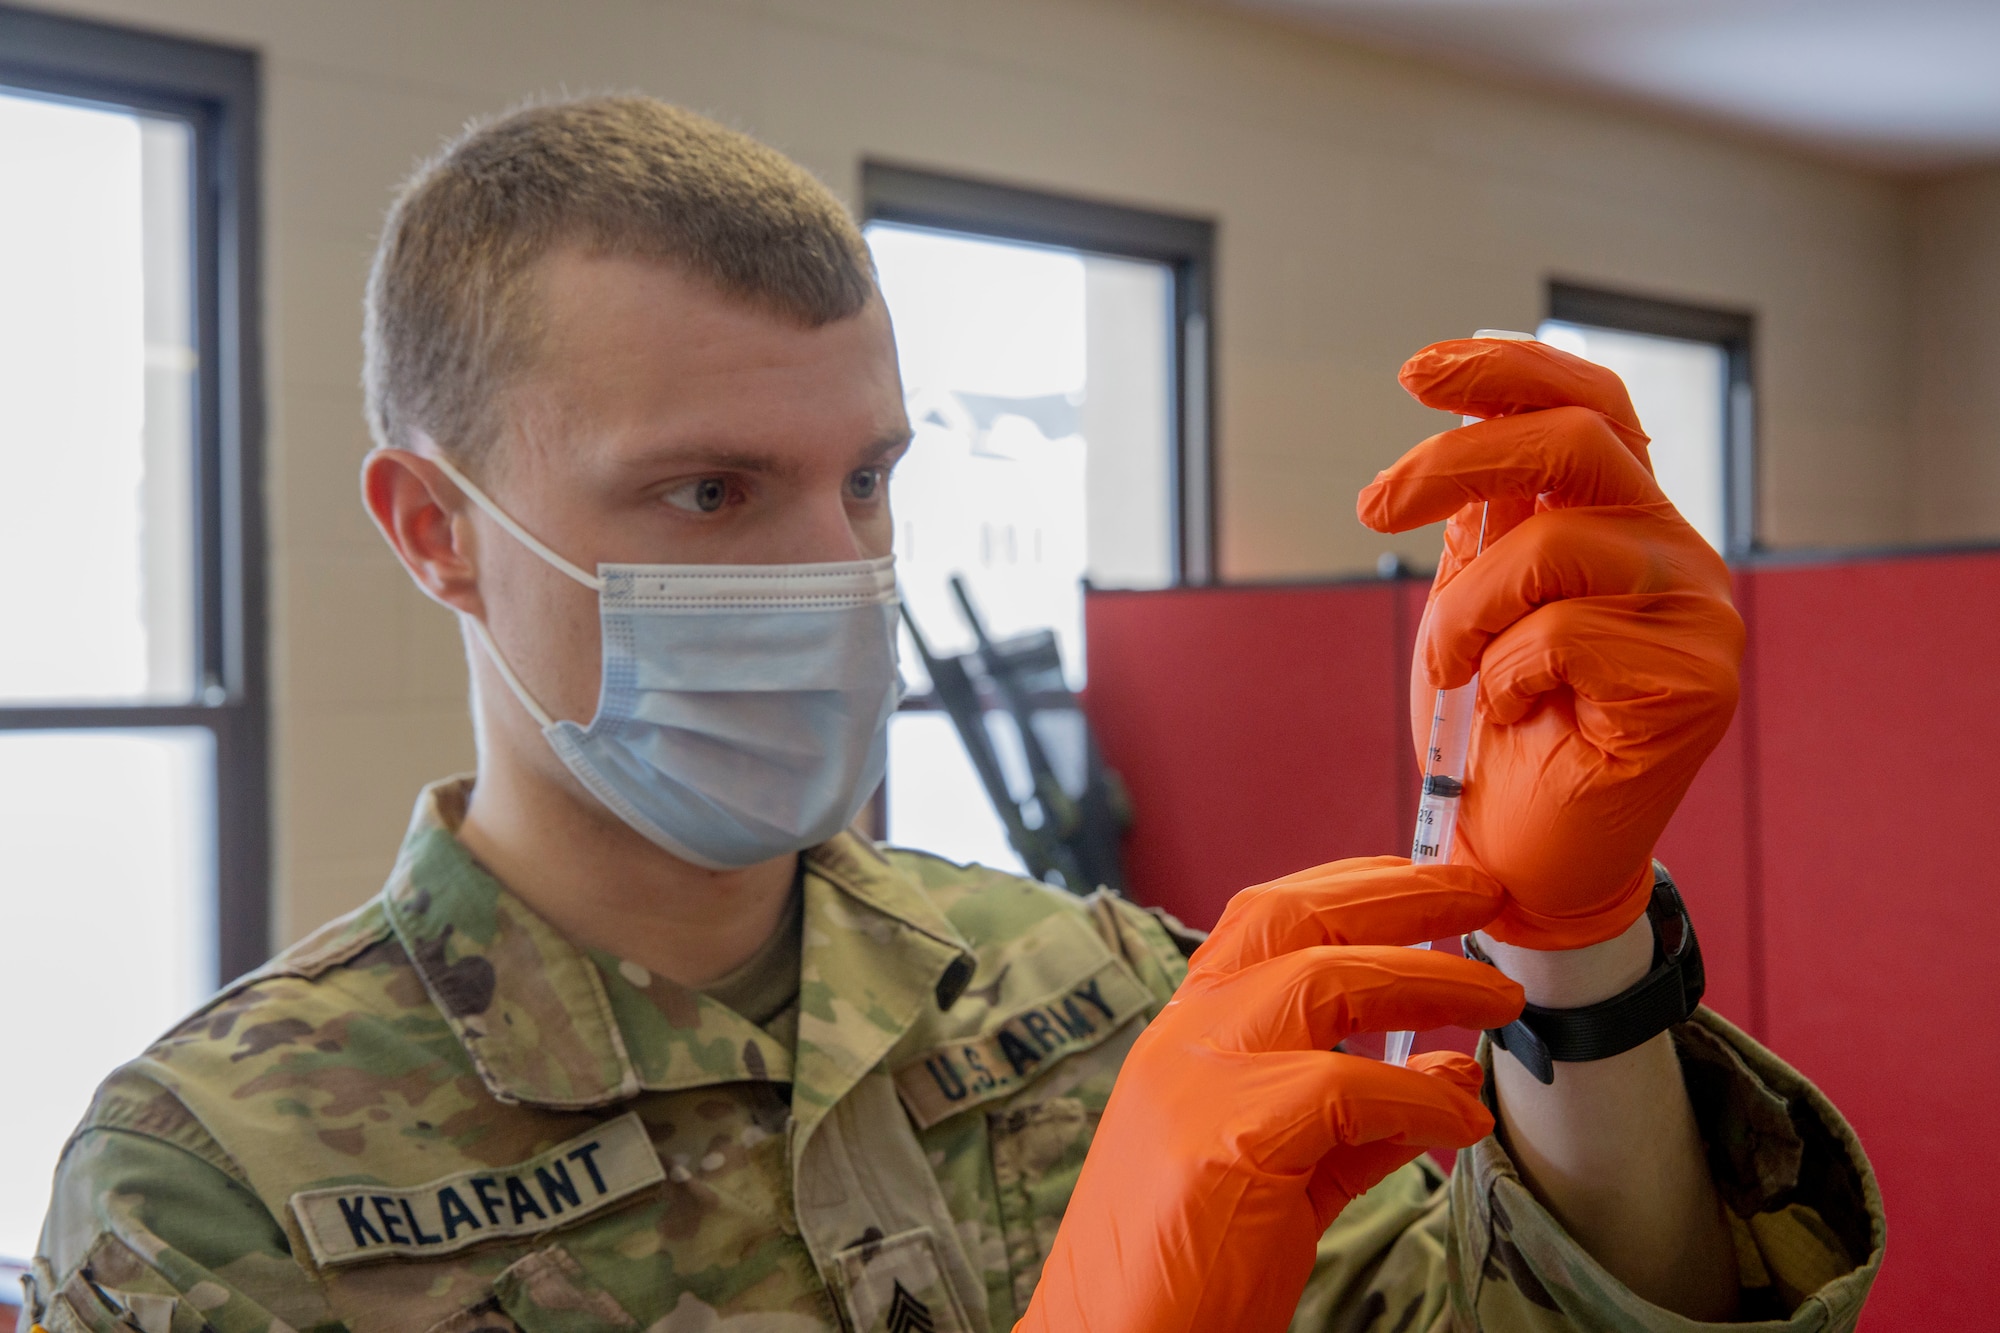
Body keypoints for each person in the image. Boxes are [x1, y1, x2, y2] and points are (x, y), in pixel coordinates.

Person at [24, 96, 1880, 1333]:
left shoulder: (1102, 990)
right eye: (709, 493)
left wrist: (1578, 950)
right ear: (438, 532)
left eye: (869, 481)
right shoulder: (222, 1187)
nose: (838, 568)